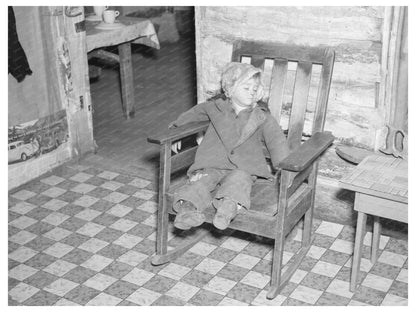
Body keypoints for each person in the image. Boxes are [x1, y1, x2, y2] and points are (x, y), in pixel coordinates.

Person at [170, 62, 290, 231]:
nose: (252, 92)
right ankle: (186, 211)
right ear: (230, 89)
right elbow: (193, 114)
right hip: (212, 164)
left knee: (239, 182)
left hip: (244, 168)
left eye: (255, 88)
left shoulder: (261, 117)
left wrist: (285, 166)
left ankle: (226, 210)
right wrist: (177, 130)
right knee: (201, 182)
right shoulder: (215, 108)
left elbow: (277, 141)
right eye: (246, 87)